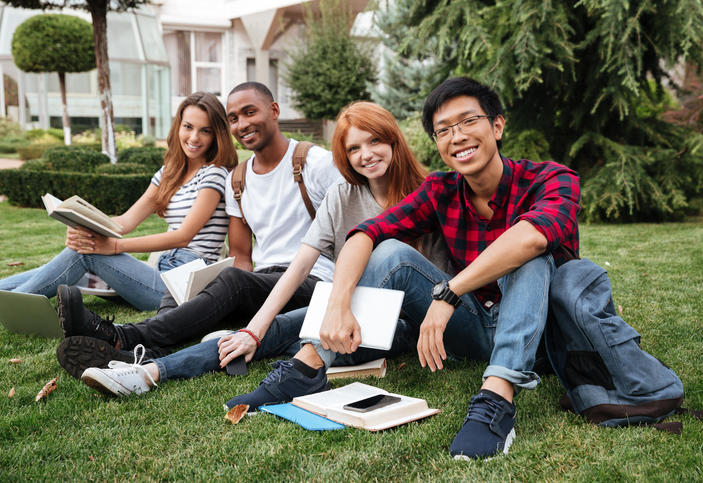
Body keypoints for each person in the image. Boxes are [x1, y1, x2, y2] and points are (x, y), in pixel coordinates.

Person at [224, 77, 581, 461]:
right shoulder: (439, 189)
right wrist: (339, 304)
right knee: (389, 249)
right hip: (475, 326)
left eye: (467, 122)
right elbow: (365, 233)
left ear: (497, 125)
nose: (457, 136)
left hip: (538, 331)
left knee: (529, 255)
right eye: (444, 130)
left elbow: (532, 238)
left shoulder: (553, 178)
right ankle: (306, 368)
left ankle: (496, 398)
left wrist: (449, 293)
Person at [74, 101, 451, 396]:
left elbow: (447, 274)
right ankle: (146, 373)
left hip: (406, 321)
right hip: (343, 309)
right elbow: (301, 264)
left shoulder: (429, 192)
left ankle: (268, 345)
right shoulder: (342, 195)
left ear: (393, 140)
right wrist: (254, 329)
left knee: (286, 333)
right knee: (262, 333)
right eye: (354, 148)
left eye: (375, 141)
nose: (366, 155)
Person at [55, 81, 341, 377]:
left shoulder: (315, 162)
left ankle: (121, 336)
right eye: (234, 118)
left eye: (250, 112)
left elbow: (352, 235)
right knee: (202, 286)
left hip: (314, 283)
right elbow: (241, 255)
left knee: (233, 282)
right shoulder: (238, 180)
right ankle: (138, 355)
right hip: (267, 286)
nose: (242, 124)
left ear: (274, 110)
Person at [0, 92, 237, 311]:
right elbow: (125, 222)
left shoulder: (214, 174)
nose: (194, 137)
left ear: (217, 135)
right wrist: (86, 229)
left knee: (88, 253)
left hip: (182, 286)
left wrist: (115, 246)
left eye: (205, 130)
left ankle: (14, 307)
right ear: (178, 127)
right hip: (161, 272)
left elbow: (183, 236)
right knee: (83, 248)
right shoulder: (169, 173)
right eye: (188, 127)